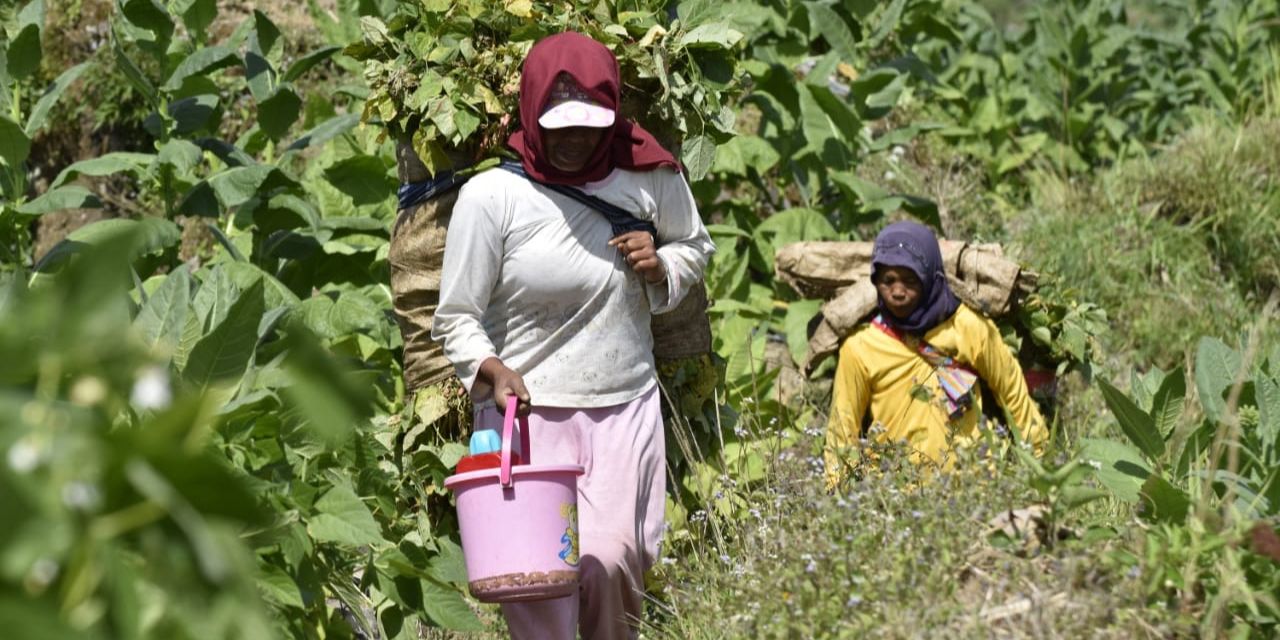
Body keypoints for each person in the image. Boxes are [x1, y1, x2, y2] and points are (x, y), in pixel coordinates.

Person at [431, 31, 714, 640]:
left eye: (589, 126)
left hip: (622, 407)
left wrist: (663, 264)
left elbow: (695, 246)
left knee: (613, 562)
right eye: (558, 127)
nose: (574, 140)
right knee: (536, 583)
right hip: (525, 420)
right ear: (532, 115)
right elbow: (455, 316)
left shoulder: (650, 178)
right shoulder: (493, 197)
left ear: (613, 118)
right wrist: (490, 370)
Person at [824, 221, 1047, 486]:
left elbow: (1013, 395)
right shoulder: (861, 347)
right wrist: (837, 491)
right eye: (888, 281)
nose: (897, 292)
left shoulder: (969, 328)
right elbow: (843, 426)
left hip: (974, 486)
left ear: (931, 276)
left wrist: (1042, 466)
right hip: (895, 493)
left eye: (910, 280)